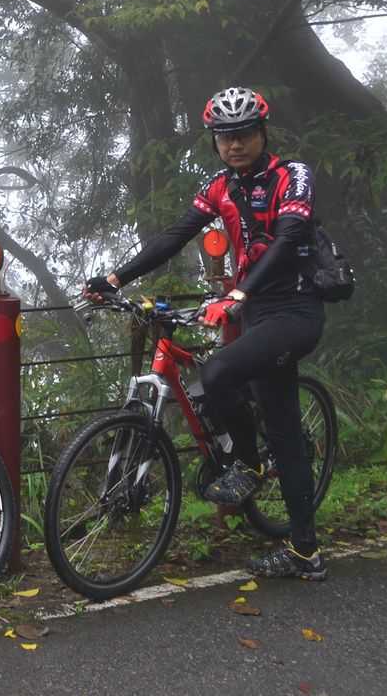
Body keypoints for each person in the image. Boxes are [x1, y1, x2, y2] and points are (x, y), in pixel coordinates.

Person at [86, 86, 328, 581]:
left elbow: (288, 239)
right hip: (257, 312)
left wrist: (238, 294)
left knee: (218, 371)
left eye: (243, 134)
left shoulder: (292, 175)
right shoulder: (219, 185)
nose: (234, 144)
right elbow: (175, 235)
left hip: (295, 309)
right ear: (215, 141)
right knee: (281, 426)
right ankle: (305, 550)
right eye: (224, 137)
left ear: (262, 133)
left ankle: (247, 465)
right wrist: (115, 278)